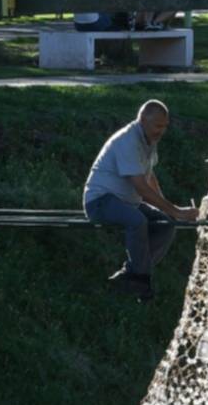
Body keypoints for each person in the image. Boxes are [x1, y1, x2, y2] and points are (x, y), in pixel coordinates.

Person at [83, 100, 199, 300]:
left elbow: (149, 176)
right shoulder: (128, 141)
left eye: (164, 127)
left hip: (127, 203)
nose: (161, 131)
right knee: (137, 221)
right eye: (157, 126)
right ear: (143, 119)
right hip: (100, 202)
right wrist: (177, 211)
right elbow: (142, 188)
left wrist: (169, 212)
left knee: (166, 224)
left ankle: (133, 274)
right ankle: (141, 279)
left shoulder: (148, 140)